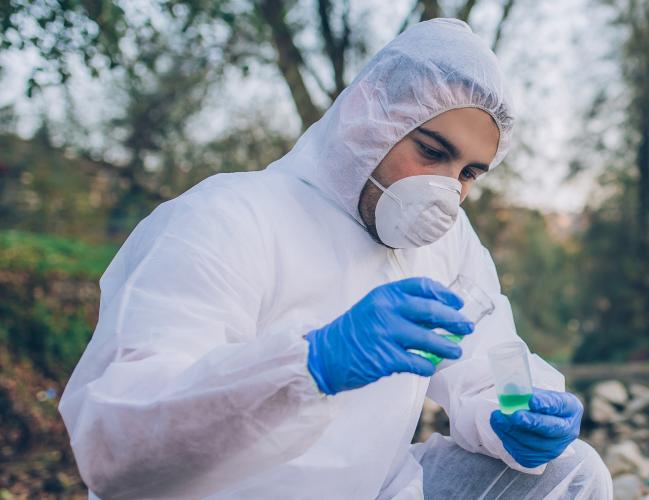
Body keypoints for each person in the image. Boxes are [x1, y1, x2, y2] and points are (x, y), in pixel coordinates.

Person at [58, 18, 613, 499]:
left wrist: (516, 415)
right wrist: (310, 364)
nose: (447, 192)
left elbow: (486, 362)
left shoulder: (446, 243)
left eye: (468, 173)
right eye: (431, 152)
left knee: (570, 475)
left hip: (369, 489)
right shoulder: (226, 217)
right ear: (370, 115)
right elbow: (115, 446)